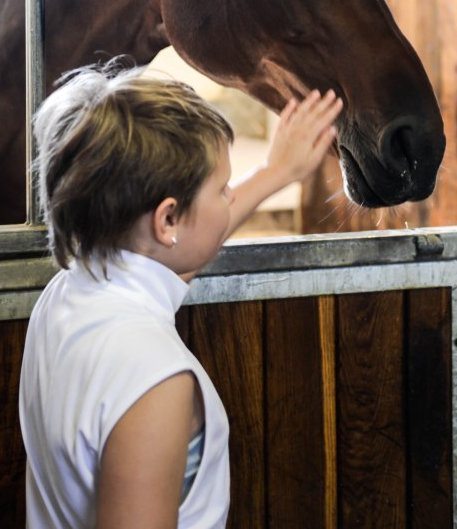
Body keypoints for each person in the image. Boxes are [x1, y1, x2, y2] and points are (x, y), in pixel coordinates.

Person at [19, 64, 343, 529]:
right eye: (222, 189)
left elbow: (176, 251)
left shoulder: (67, 294)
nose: (230, 198)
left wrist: (278, 172)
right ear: (167, 219)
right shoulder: (154, 381)